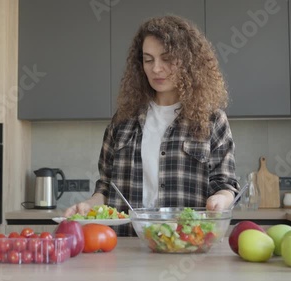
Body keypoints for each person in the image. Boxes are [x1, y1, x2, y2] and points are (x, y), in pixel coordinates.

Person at [64, 15, 239, 236]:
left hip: (185, 247)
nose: (156, 68)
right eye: (148, 60)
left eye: (166, 58)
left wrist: (220, 199)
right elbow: (107, 188)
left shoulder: (211, 120)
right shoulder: (123, 120)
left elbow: (225, 184)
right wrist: (89, 206)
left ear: (187, 61)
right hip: (127, 250)